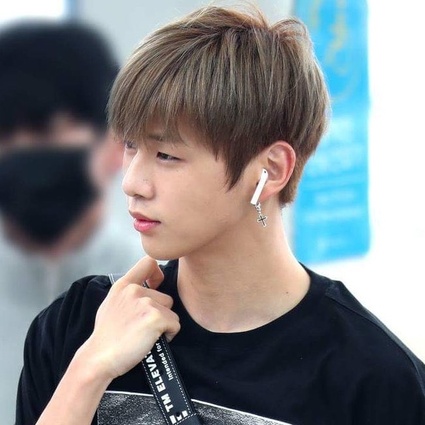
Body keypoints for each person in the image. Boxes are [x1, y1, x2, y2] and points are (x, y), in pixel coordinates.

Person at [16, 4, 425, 425]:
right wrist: (89, 372)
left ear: (271, 171)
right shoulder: (79, 326)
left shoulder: (374, 379)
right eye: (131, 146)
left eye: (167, 155)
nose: (132, 182)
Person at [0, 20, 142, 424]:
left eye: (45, 130)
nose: (21, 152)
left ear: (115, 145)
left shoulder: (159, 288)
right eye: (5, 132)